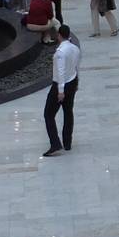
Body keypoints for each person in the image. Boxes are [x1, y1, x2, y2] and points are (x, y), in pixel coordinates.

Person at [42, 24, 80, 156]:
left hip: (61, 85)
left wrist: (60, 91)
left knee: (48, 114)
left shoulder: (60, 53)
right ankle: (67, 142)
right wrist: (76, 82)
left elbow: (60, 72)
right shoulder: (75, 48)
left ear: (59, 35)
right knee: (68, 112)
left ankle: (55, 143)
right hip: (72, 81)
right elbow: (76, 66)